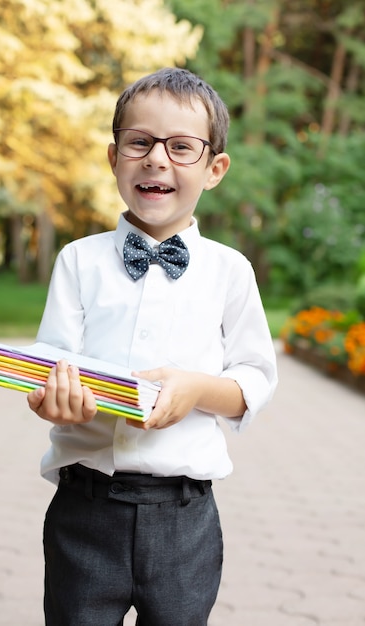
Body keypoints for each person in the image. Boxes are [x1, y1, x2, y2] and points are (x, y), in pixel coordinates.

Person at [27, 67, 278, 626]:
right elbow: (50, 366)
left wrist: (196, 389)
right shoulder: (77, 261)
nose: (157, 158)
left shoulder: (229, 272)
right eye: (140, 142)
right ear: (113, 156)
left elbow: (256, 378)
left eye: (181, 147)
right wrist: (52, 397)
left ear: (214, 169)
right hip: (85, 508)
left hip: (184, 518)